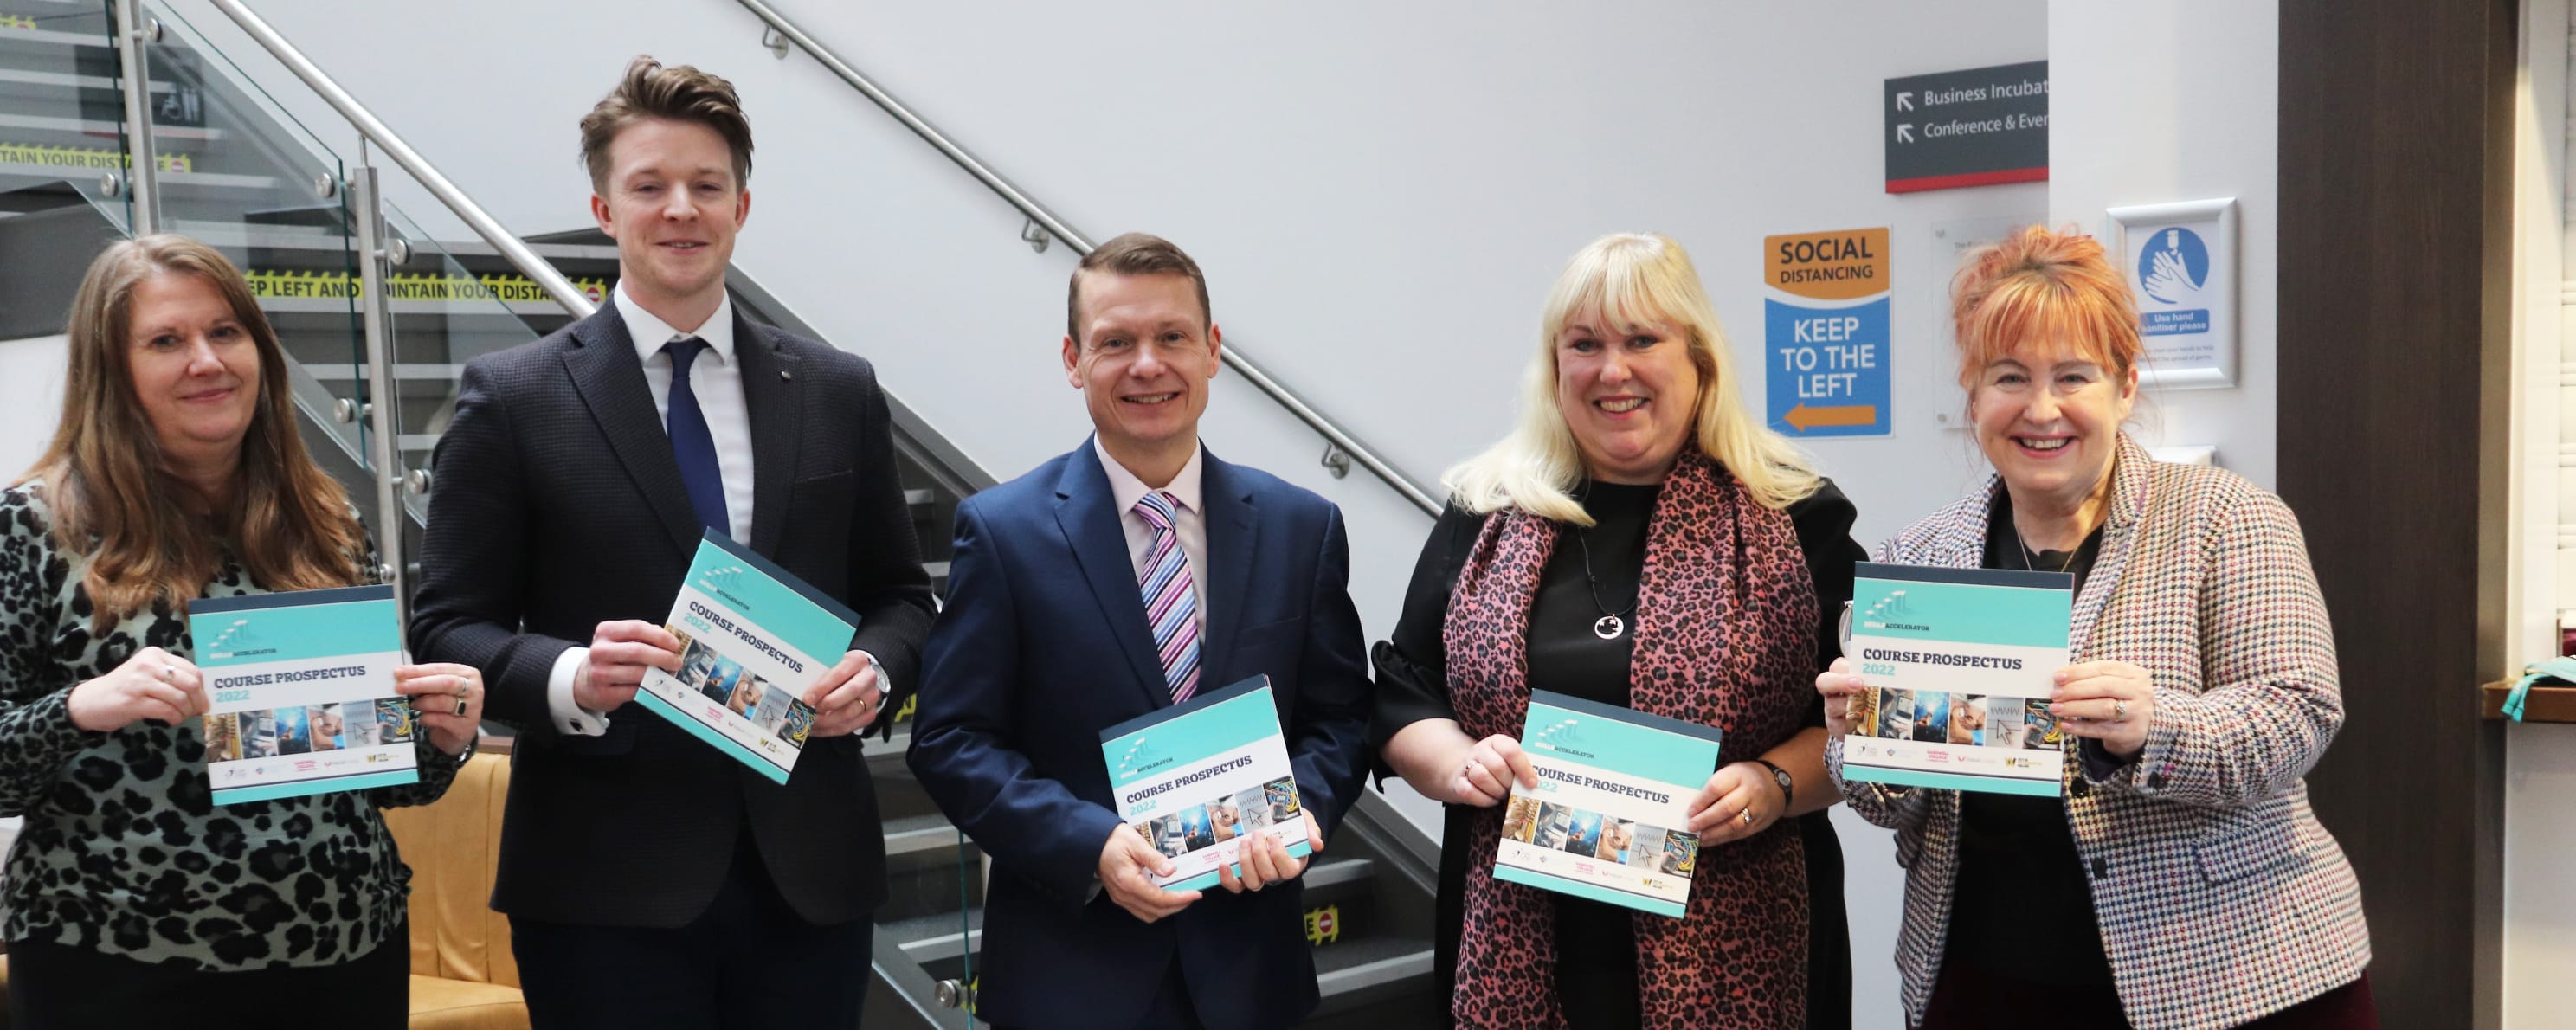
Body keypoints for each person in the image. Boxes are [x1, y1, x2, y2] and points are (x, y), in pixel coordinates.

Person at [407, 56, 934, 1028]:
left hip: (808, 872)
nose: (680, 209)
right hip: (603, 882)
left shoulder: (837, 387)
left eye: (706, 185)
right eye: (649, 186)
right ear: (605, 208)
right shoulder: (513, 395)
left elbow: (903, 596)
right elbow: (446, 627)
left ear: (742, 204)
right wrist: (571, 674)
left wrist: (875, 669)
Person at [1815, 226, 2376, 1030]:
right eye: (2009, 377)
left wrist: (2152, 728)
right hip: (1989, 977)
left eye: (2072, 376)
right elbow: (1887, 804)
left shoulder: (2228, 518)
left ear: (2123, 387)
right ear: (1973, 398)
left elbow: (2298, 711)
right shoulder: (1919, 557)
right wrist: (1859, 735)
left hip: (2233, 979)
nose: (2041, 409)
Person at [1371, 232, 1861, 1029]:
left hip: (1739, 940)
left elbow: (1857, 724)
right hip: (1519, 943)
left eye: (1642, 340)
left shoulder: (1797, 518)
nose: (1613, 369)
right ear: (1556, 366)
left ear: (1698, 358)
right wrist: (1460, 763)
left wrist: (1772, 786)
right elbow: (1403, 690)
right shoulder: (1485, 510)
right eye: (1585, 344)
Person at [0, 235, 486, 1027]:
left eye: (226, 332)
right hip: (120, 964)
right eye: (166, 341)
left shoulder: (326, 523)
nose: (206, 360)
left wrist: (438, 736)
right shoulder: (34, 527)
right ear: (111, 372)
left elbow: (379, 779)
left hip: (342, 953)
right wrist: (82, 707)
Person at [907, 232, 1374, 1030]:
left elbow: (1342, 719)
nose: (1147, 365)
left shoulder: (1303, 527)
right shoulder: (1002, 532)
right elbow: (950, 739)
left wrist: (1301, 812)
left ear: (1213, 350)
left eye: (1171, 338)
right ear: (1072, 359)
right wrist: (1088, 844)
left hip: (1250, 971)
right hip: (1072, 972)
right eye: (1115, 342)